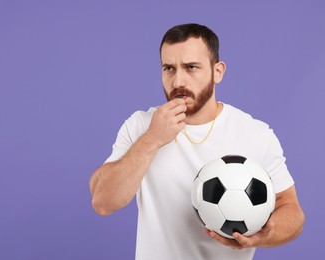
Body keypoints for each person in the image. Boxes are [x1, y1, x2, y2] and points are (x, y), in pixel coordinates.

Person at [89, 23, 304, 259]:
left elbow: (291, 212)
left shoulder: (255, 133)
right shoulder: (141, 125)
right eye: (169, 68)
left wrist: (265, 236)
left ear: (218, 71)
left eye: (191, 67)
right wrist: (152, 140)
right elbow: (103, 201)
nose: (178, 81)